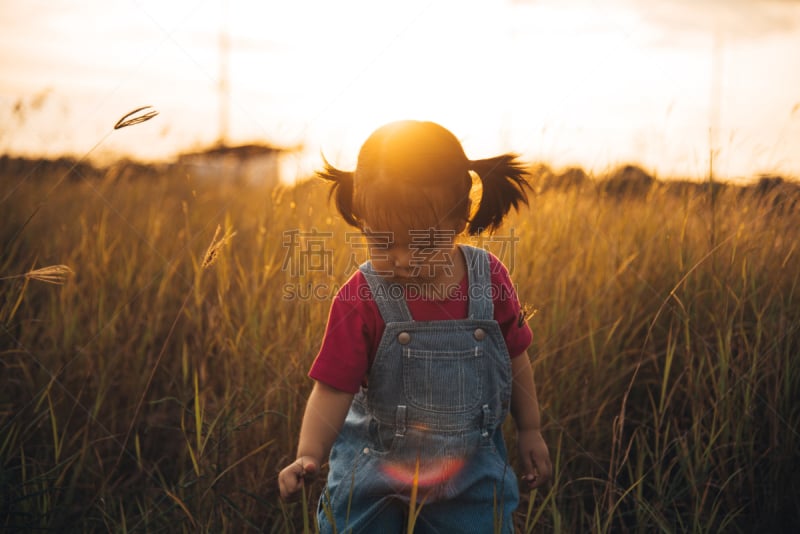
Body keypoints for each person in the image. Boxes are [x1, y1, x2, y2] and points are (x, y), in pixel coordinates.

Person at [278, 120, 551, 533]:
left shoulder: (488, 279)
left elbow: (515, 359)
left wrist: (530, 429)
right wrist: (308, 452)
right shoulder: (361, 296)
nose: (403, 259)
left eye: (423, 243)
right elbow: (333, 386)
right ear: (362, 219)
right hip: (374, 482)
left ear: (461, 216)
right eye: (383, 242)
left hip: (470, 479)